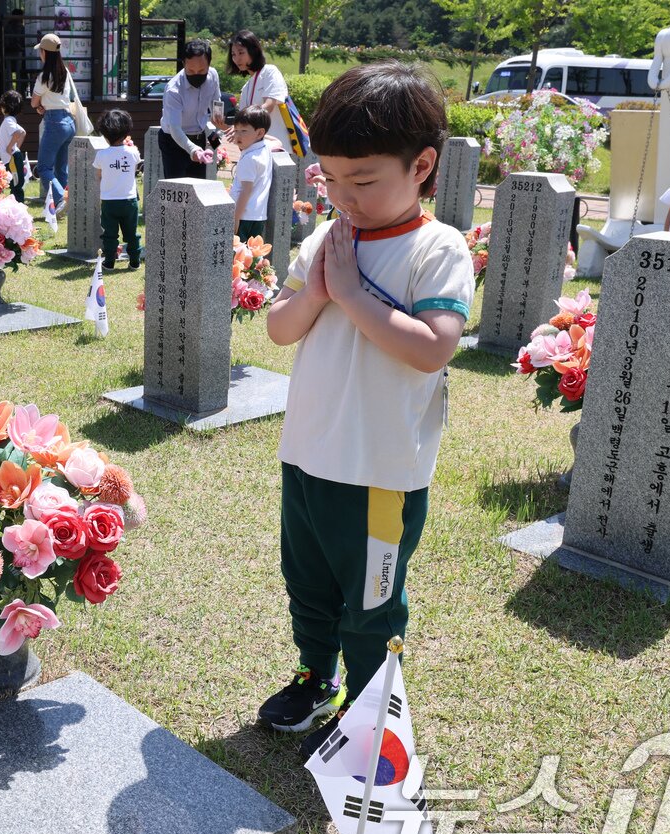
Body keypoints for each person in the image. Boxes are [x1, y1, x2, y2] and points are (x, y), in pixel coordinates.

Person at [259, 62, 474, 759]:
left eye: (364, 180)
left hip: (381, 469)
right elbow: (280, 327)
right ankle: (314, 675)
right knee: (309, 583)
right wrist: (321, 290)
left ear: (422, 166)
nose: (344, 196)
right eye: (330, 179)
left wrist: (352, 294)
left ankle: (370, 706)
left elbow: (433, 348)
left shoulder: (436, 248)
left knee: (373, 599)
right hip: (309, 453)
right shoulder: (330, 239)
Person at [30, 33, 80, 212]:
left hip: (54, 122)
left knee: (43, 166)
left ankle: (60, 199)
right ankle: (70, 201)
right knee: (61, 168)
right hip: (69, 122)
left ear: (44, 52)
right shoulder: (64, 72)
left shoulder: (44, 76)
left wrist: (40, 105)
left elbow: (34, 102)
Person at [160, 39, 224, 179]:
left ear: (209, 64)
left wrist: (211, 146)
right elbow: (175, 129)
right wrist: (193, 150)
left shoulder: (213, 76)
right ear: (183, 64)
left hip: (199, 137)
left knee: (198, 189)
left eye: (201, 70)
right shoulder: (174, 90)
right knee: (177, 190)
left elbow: (217, 117)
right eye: (191, 70)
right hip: (173, 140)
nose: (196, 74)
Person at [228, 30, 292, 155]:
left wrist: (241, 124)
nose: (237, 58)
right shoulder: (246, 87)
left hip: (276, 149)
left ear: (253, 51)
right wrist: (229, 128)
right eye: (233, 54)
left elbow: (269, 105)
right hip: (256, 152)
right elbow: (244, 122)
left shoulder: (270, 71)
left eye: (241, 52)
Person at [92, 109, 142, 270]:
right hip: (129, 200)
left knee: (110, 234)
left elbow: (98, 175)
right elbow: (133, 170)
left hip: (109, 201)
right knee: (132, 233)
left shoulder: (101, 155)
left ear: (105, 134)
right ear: (126, 132)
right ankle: (135, 260)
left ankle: (109, 261)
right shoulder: (133, 152)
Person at [230, 106, 273, 239]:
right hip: (258, 215)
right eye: (236, 130)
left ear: (260, 133)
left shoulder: (249, 158)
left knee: (239, 255)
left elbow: (246, 190)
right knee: (251, 256)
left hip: (243, 215)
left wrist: (235, 219)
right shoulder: (265, 148)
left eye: (243, 131)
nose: (237, 136)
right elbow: (277, 141)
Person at [0, 90, 28, 203]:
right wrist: (16, 147)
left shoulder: (8, 121)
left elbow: (18, 133)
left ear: (4, 106)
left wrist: (10, 147)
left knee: (15, 184)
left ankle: (17, 204)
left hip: (12, 159)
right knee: (15, 182)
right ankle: (15, 203)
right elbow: (22, 132)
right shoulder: (11, 120)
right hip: (13, 157)